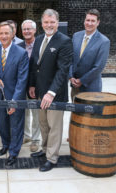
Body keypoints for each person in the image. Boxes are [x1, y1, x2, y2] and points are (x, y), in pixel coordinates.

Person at [29, 9, 73, 172]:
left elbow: (62, 70)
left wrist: (51, 93)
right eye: (46, 22)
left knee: (54, 126)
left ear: (57, 23)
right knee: (43, 123)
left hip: (55, 94)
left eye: (52, 22)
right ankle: (45, 149)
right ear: (42, 23)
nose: (49, 25)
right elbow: (35, 65)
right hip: (40, 91)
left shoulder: (64, 41)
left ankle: (52, 157)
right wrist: (32, 85)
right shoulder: (39, 39)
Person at [0, 21, 29, 166]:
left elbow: (22, 79)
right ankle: (5, 144)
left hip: (15, 96)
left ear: (13, 34)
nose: (4, 36)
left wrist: (14, 101)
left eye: (7, 33)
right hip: (0, 95)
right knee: (2, 123)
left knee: (16, 125)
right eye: (1, 33)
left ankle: (14, 151)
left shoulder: (21, 53)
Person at [69, 9, 110, 100]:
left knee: (89, 114)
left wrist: (82, 80)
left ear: (98, 22)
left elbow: (98, 67)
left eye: (93, 21)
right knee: (75, 113)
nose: (89, 23)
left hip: (91, 88)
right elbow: (70, 59)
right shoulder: (76, 36)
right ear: (84, 21)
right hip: (75, 87)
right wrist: (71, 76)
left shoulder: (104, 41)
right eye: (88, 20)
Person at [18, 19, 41, 152]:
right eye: (24, 29)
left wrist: (34, 85)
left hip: (36, 86)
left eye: (29, 29)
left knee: (36, 113)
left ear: (34, 30)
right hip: (21, 85)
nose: (27, 31)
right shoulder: (19, 46)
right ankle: (26, 136)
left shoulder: (40, 45)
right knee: (23, 112)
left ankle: (36, 139)